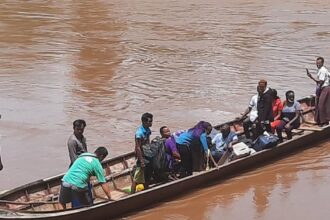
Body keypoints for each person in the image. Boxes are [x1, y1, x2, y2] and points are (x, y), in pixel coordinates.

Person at [131, 112, 153, 194]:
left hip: (147, 153)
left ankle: (146, 190)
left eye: (151, 121)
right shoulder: (139, 133)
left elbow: (148, 142)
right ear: (143, 122)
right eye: (149, 121)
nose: (151, 123)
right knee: (137, 176)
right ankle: (132, 194)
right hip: (142, 155)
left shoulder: (147, 130)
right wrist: (141, 160)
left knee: (147, 173)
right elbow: (137, 147)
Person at [306, 57, 330, 126]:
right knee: (321, 104)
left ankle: (324, 122)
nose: (318, 64)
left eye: (319, 63)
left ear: (322, 63)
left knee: (321, 105)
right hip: (324, 88)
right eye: (317, 63)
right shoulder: (320, 70)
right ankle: (321, 121)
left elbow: (320, 82)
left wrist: (311, 77)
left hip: (325, 88)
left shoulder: (322, 70)